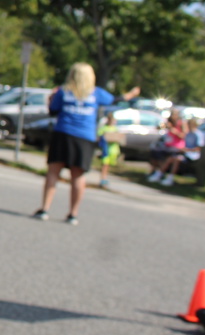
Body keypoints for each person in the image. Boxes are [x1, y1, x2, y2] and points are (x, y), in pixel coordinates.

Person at [32, 63, 139, 225]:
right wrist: (131, 94)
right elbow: (116, 99)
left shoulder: (63, 91)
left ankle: (45, 209)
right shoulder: (96, 93)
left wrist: (50, 99)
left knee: (53, 172)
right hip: (84, 137)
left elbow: (53, 111)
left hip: (63, 134)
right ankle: (73, 214)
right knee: (78, 175)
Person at [154, 118, 205, 186]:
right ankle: (159, 174)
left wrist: (187, 150)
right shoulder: (188, 133)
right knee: (170, 158)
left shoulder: (198, 134)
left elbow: (199, 148)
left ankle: (170, 178)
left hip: (193, 156)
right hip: (184, 153)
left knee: (177, 159)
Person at [147, 108, 188, 182]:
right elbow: (158, 128)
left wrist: (174, 131)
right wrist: (164, 126)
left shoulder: (181, 124)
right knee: (154, 153)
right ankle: (155, 171)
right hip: (167, 146)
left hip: (177, 147)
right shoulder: (170, 123)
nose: (173, 117)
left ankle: (160, 174)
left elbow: (184, 136)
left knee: (170, 158)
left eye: (174, 115)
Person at [97, 111, 120, 187]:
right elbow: (99, 137)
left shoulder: (115, 129)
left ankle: (105, 178)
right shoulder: (104, 128)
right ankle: (102, 179)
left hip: (113, 150)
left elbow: (119, 138)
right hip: (106, 150)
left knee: (108, 166)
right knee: (105, 165)